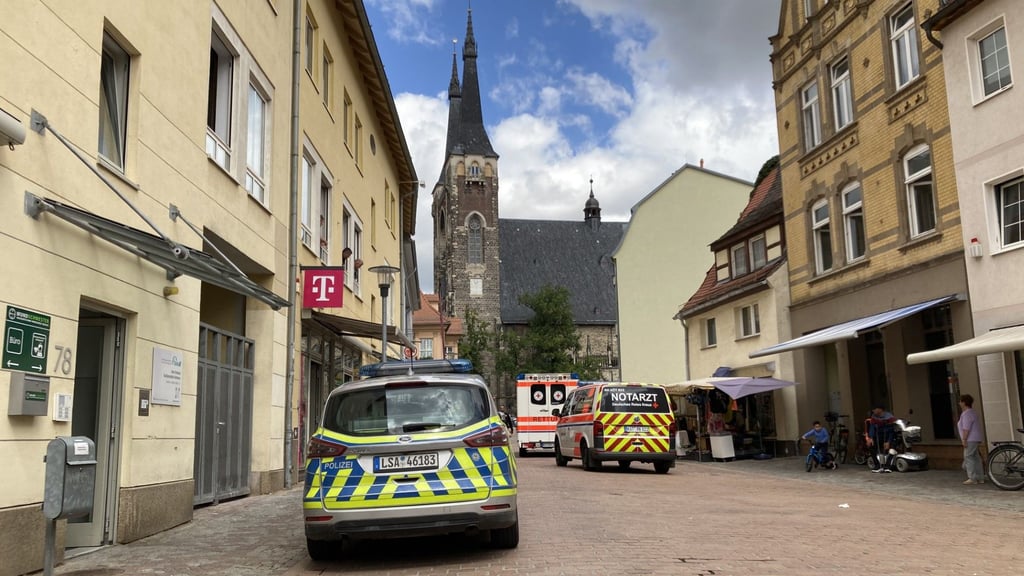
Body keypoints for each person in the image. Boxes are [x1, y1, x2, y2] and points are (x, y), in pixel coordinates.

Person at [958, 394, 984, 485]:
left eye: (960, 401)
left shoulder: (966, 414)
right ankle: (980, 477)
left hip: (970, 439)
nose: (959, 403)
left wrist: (964, 439)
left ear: (964, 403)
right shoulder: (973, 412)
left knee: (968, 457)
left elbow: (966, 428)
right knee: (976, 457)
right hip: (975, 438)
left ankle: (972, 477)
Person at [866, 406, 896, 472]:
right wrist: (870, 438)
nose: (873, 411)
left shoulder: (889, 417)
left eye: (874, 409)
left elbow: (892, 431)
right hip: (878, 436)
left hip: (888, 436)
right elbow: (872, 428)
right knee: (871, 446)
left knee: (892, 447)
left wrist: (888, 441)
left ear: (880, 409)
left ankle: (888, 466)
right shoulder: (874, 417)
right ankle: (877, 465)